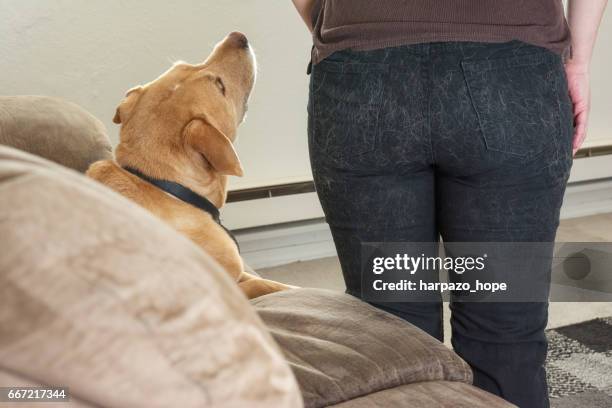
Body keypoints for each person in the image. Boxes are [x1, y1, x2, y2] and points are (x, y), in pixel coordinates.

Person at [291, 1, 607, 407]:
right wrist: (578, 62)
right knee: (505, 332)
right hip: (513, 74)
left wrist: (346, 22)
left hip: (362, 73)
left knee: (395, 340)